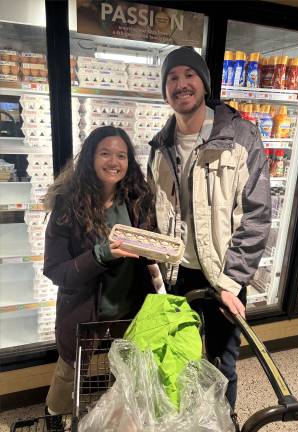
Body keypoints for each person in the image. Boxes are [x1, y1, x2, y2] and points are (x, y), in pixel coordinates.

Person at [147, 46, 271, 416]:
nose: (181, 84)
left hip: (223, 275)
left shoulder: (241, 136)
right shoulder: (160, 145)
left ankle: (219, 423)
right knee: (180, 359)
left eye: (189, 75)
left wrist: (233, 281)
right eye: (172, 78)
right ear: (165, 89)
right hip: (176, 273)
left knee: (221, 364)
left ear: (204, 83)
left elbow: (257, 214)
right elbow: (156, 212)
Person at [43, 126, 161, 430]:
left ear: (129, 161)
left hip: (130, 307)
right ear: (91, 158)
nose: (114, 161)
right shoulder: (68, 205)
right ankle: (54, 416)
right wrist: (100, 255)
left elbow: (150, 247)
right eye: (105, 153)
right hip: (83, 310)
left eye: (121, 155)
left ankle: (111, 419)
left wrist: (159, 249)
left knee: (126, 371)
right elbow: (56, 270)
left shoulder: (137, 198)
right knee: (70, 370)